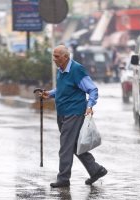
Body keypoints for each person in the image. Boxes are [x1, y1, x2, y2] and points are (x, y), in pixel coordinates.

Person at [39, 45, 107, 188]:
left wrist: (89, 106)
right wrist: (50, 94)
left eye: (57, 56)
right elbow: (63, 89)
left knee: (65, 146)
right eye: (53, 56)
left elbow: (92, 89)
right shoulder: (61, 70)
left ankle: (63, 178)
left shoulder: (76, 69)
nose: (54, 59)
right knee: (74, 145)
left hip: (74, 113)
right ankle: (96, 170)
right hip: (63, 112)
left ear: (65, 57)